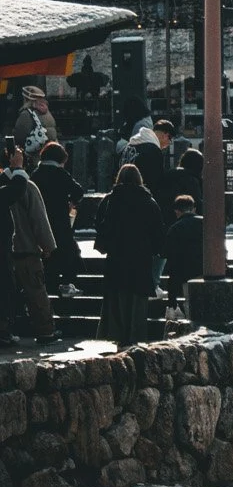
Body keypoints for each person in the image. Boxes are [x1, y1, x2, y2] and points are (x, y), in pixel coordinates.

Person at [94, 162, 165, 348]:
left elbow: (100, 225)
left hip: (116, 255)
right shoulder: (148, 201)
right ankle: (134, 334)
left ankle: (117, 333)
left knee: (118, 295)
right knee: (137, 297)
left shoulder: (110, 200)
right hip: (140, 256)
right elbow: (157, 230)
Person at [1, 138, 55, 339]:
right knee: (36, 292)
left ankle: (7, 329)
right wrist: (47, 245)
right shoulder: (27, 187)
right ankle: (45, 330)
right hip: (26, 248)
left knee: (7, 293)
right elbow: (38, 219)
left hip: (8, 249)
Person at [33, 141, 84, 298]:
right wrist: (71, 203)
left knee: (48, 256)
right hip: (60, 220)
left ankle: (50, 286)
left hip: (41, 219)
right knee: (69, 252)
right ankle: (67, 283)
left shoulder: (36, 174)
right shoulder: (60, 174)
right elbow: (78, 191)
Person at [162, 193, 204, 313]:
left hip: (186, 274)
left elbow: (169, 257)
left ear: (177, 211)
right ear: (194, 209)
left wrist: (172, 299)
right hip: (206, 271)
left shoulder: (175, 228)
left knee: (191, 305)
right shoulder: (205, 223)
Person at [14, 86, 57, 160]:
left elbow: (20, 136)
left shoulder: (26, 114)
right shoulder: (47, 113)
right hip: (50, 154)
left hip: (35, 157)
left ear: (26, 99)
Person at [161, 144, 203, 216]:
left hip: (165, 215)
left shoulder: (168, 175)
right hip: (183, 217)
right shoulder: (192, 180)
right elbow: (198, 204)